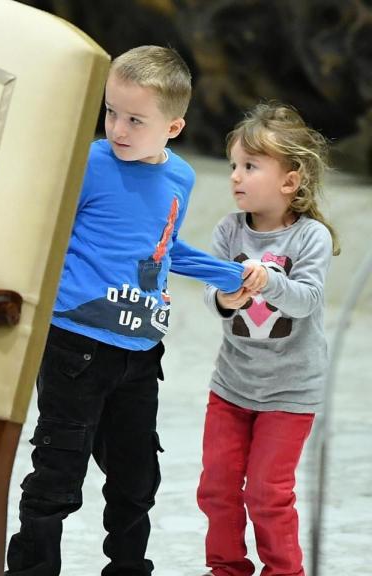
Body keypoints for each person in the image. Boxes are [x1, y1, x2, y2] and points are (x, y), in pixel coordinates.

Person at [4, 45, 266, 576]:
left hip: (141, 353)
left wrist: (233, 274)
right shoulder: (89, 165)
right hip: (74, 347)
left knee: (137, 478)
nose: (118, 129)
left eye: (135, 120)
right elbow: (42, 233)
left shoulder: (181, 179)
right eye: (111, 113)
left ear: (173, 126)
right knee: (56, 472)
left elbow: (162, 249)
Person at [196, 103, 338, 576]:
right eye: (234, 165)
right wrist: (226, 299)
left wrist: (267, 280)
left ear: (290, 181)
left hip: (290, 394)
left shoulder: (309, 238)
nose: (236, 176)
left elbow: (307, 301)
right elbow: (211, 298)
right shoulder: (227, 229)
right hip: (231, 388)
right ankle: (226, 569)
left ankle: (285, 572)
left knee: (267, 494)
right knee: (215, 488)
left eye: (250, 166)